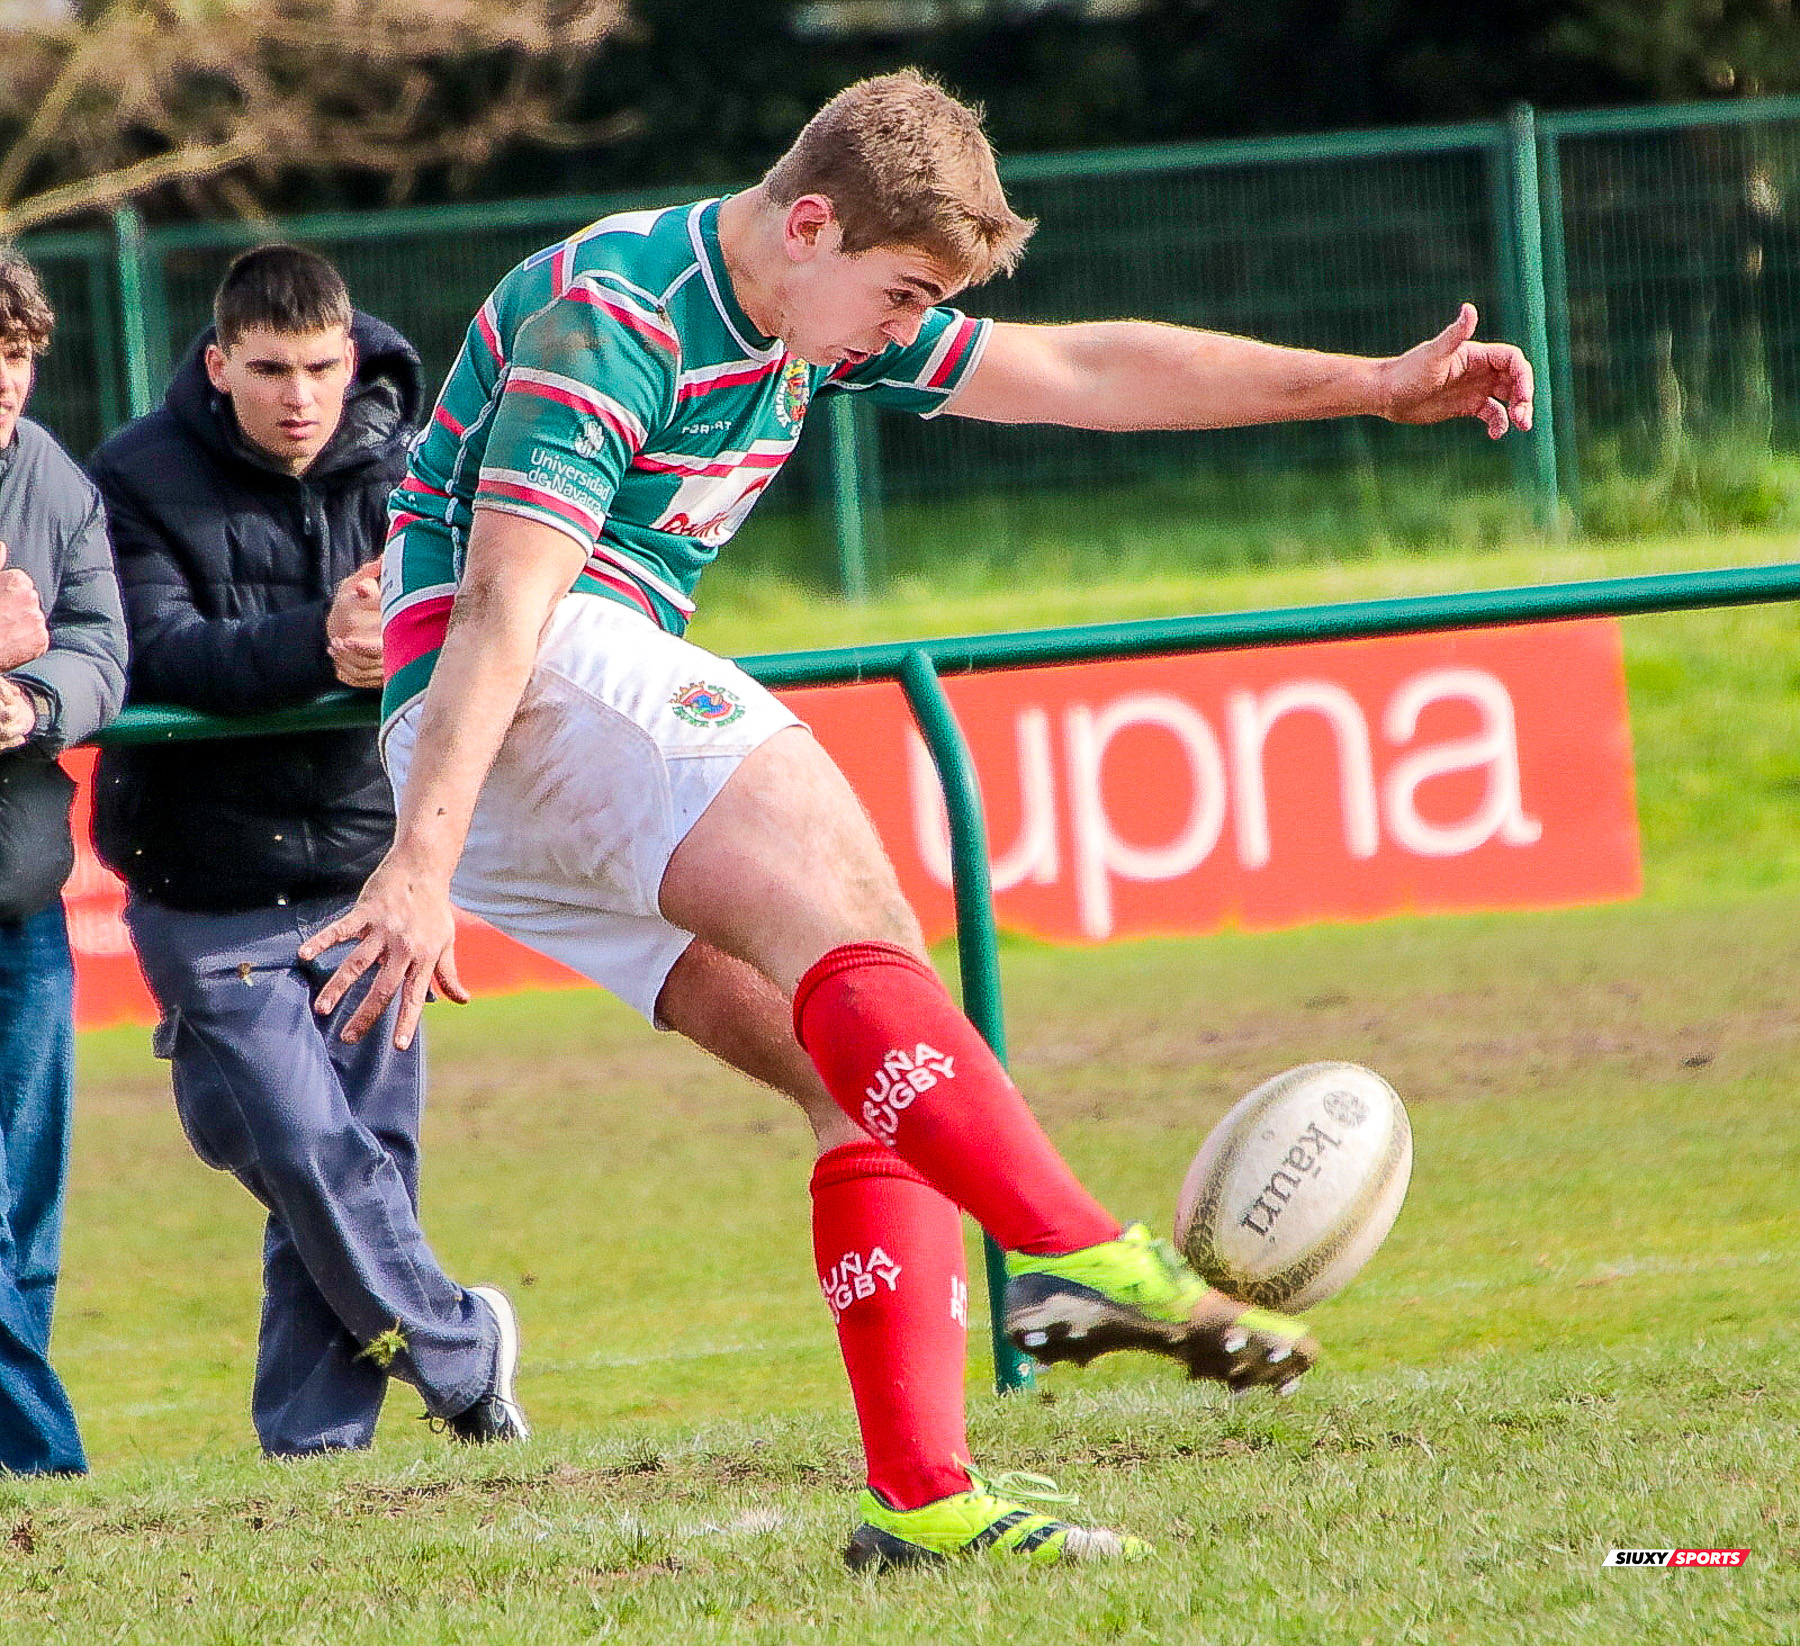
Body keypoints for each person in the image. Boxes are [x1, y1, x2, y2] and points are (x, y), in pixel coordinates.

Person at [302, 72, 1533, 1564]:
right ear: (808, 222)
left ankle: (925, 1501)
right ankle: (1087, 1257)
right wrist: (418, 864)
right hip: (531, 694)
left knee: (859, 1077)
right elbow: (507, 597)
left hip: (514, 765)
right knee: (862, 917)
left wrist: (1374, 385)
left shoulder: (805, 308)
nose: (898, 333)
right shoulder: (614, 311)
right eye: (895, 296)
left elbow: (1081, 371)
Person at [90, 245, 524, 1459]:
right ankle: (464, 1346)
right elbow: (155, 656)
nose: (300, 395)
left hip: (359, 869)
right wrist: (318, 646)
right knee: (293, 1143)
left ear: (351, 356)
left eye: (322, 367)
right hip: (204, 879)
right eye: (270, 369)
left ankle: (315, 1447)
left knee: (353, 1167)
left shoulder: (416, 462)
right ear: (218, 362)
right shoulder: (131, 475)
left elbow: (489, 609)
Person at [0, 246, 127, 1476]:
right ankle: (48, 1465)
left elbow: (101, 647)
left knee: (27, 1218)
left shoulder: (55, 481)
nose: (2, 379)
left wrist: (34, 701)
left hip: (21, 895)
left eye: (17, 353)